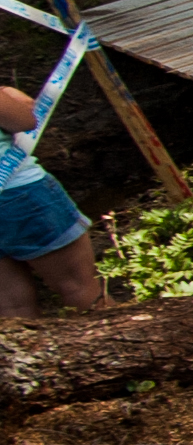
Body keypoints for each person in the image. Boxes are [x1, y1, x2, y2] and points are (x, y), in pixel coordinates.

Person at [0, 86, 109, 316]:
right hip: (19, 194)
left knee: (12, 308)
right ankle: (117, 339)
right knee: (80, 288)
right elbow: (24, 120)